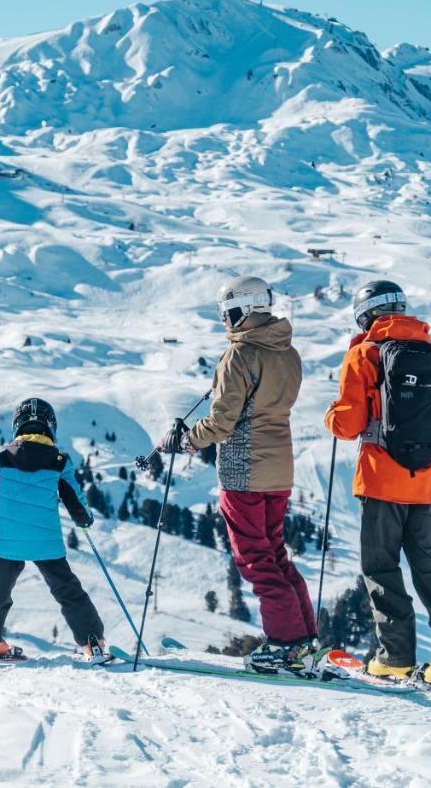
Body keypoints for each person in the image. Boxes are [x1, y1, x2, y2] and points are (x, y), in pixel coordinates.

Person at [159, 276, 317, 671]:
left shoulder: (241, 356)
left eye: (227, 313)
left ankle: (285, 645)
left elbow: (223, 422)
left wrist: (185, 441)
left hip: (244, 470)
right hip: (279, 469)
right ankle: (303, 641)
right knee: (276, 554)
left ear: (243, 310)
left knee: (256, 560)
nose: (225, 322)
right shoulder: (287, 352)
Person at [324, 279, 431, 689]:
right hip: (429, 486)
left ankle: (394, 660)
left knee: (381, 568)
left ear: (366, 315)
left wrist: (331, 417)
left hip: (379, 482)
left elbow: (349, 423)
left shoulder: (364, 354)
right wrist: (424, 454)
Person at [0, 398, 105, 657]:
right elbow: (75, 499)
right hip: (45, 539)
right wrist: (84, 519)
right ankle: (92, 641)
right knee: (67, 589)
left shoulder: (2, 459)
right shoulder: (58, 461)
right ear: (50, 426)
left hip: (11, 539)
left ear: (17, 426)